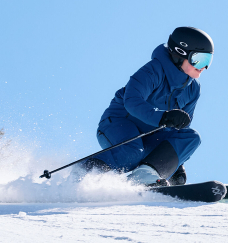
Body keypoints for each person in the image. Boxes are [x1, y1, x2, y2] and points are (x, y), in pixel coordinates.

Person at [78, 26, 213, 187]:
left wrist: (173, 161)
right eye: (200, 59)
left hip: (151, 135)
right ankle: (83, 173)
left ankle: (145, 175)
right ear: (180, 53)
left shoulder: (193, 89)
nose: (203, 67)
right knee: (132, 152)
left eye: (208, 61)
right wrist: (163, 117)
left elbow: (181, 127)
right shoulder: (154, 71)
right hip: (118, 123)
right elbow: (132, 101)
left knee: (191, 137)